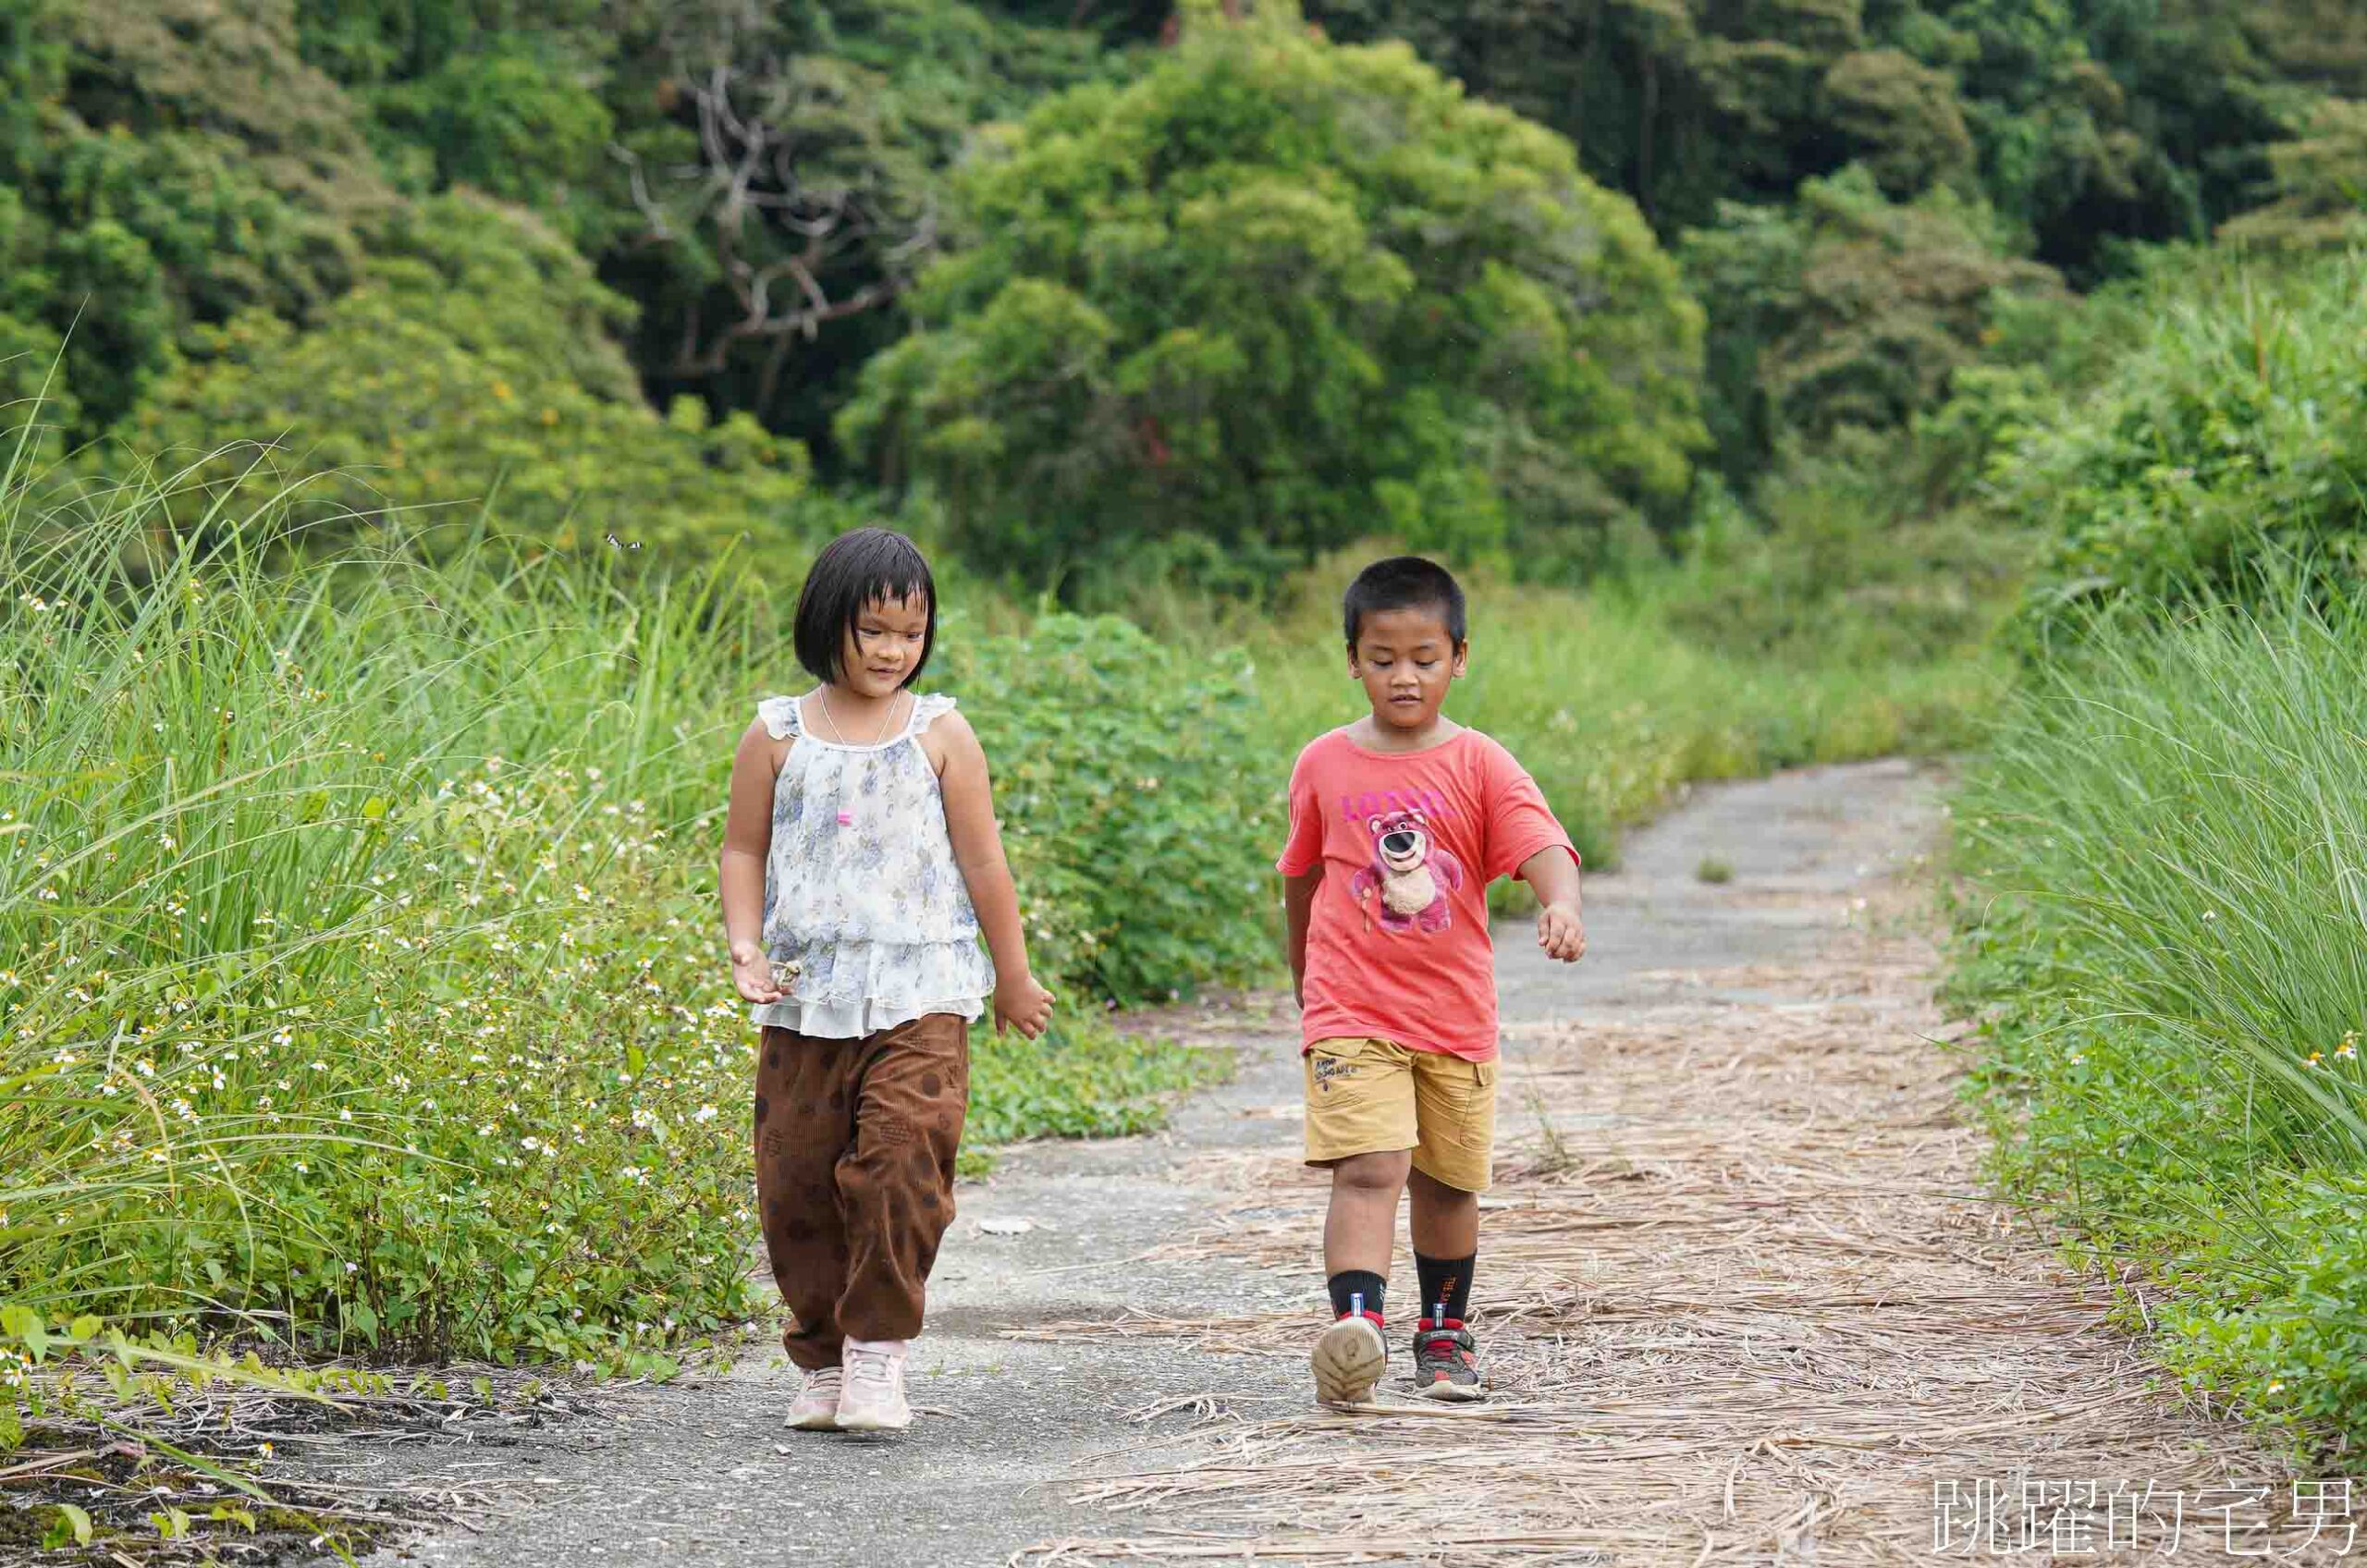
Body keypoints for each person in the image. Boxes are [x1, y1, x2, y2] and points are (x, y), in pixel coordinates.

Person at [717, 526, 1056, 1433]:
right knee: (795, 1183)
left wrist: (1014, 977)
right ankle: (822, 1352)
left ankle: (876, 1350)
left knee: (903, 1161)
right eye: (873, 630)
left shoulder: (939, 734)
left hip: (921, 994)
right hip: (803, 996)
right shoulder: (776, 733)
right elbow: (743, 848)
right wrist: (744, 947)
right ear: (828, 621)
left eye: (909, 633)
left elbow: (985, 864)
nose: (891, 650)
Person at [1277, 556, 1587, 1405]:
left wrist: (1561, 902)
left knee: (1449, 1184)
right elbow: (1301, 876)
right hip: (1351, 1008)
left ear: (1459, 657)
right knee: (1370, 1165)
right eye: (1382, 658)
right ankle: (1357, 1328)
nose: (1403, 676)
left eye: (1424, 658)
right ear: (1351, 660)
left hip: (1453, 1016)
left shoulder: (1481, 763)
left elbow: (1540, 843)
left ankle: (1444, 1335)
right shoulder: (1325, 764)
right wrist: (1304, 976)